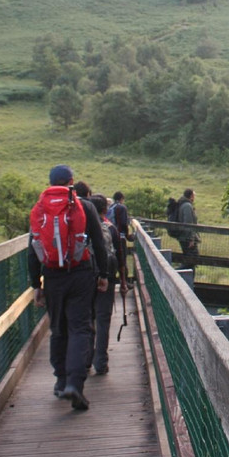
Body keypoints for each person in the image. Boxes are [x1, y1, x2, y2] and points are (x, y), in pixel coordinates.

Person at [28, 164, 110, 412]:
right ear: (71, 181)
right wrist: (104, 274)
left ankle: (60, 380)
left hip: (52, 276)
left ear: (50, 182)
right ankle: (75, 384)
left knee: (58, 327)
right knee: (80, 328)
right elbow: (98, 242)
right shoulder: (84, 206)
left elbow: (32, 249)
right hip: (81, 274)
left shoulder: (40, 209)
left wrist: (35, 285)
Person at [89, 194, 123, 375]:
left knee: (87, 319)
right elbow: (121, 258)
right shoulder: (111, 229)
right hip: (107, 278)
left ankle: (85, 361)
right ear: (105, 210)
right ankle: (100, 363)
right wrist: (123, 282)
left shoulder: (83, 228)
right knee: (103, 320)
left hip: (85, 278)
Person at [110, 191, 134, 283]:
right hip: (120, 237)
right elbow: (124, 223)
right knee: (122, 259)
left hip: (111, 236)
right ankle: (125, 281)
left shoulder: (111, 207)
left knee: (114, 257)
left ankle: (112, 280)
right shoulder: (122, 208)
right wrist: (127, 235)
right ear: (121, 199)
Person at [171, 188, 200, 264]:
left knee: (190, 260)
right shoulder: (187, 206)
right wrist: (191, 239)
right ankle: (176, 273)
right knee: (191, 261)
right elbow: (188, 223)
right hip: (187, 239)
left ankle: (184, 273)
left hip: (184, 237)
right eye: (194, 195)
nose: (194, 197)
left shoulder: (182, 204)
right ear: (191, 196)